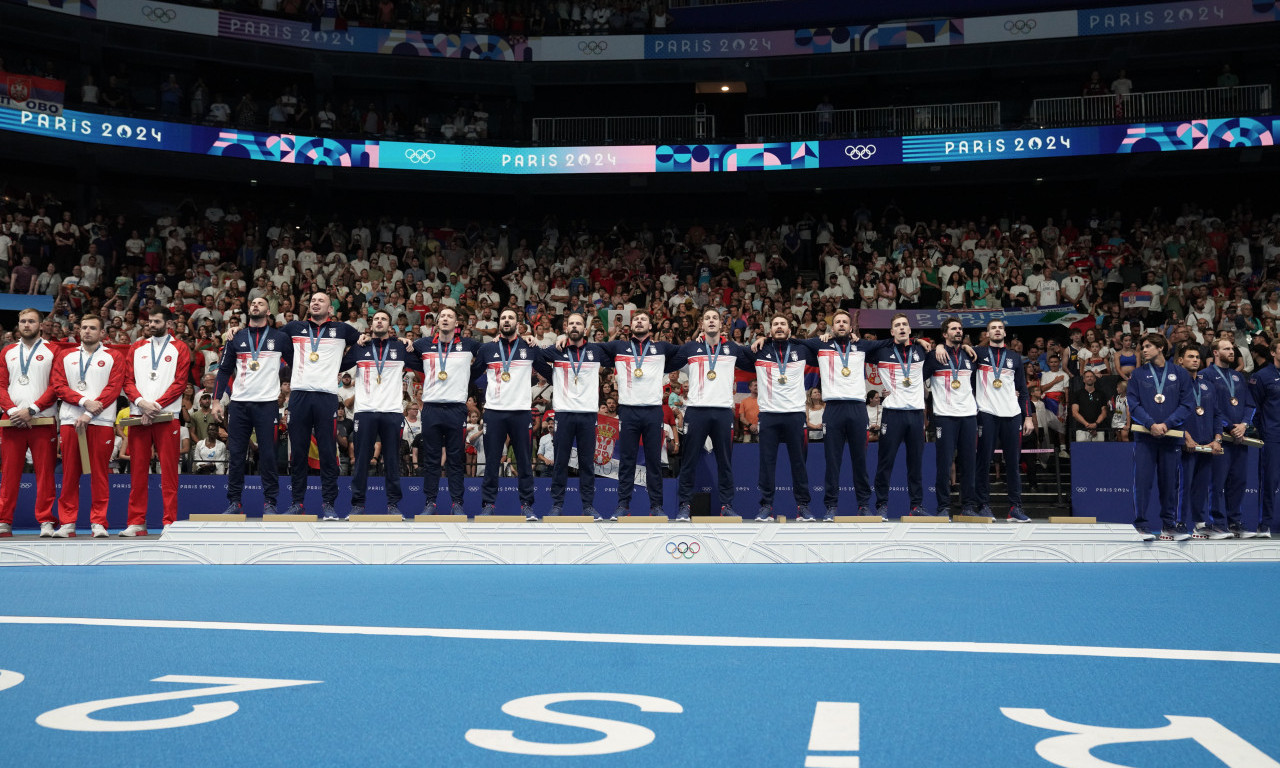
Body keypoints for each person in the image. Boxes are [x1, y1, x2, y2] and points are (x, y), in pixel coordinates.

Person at [795, 309, 896, 520]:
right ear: (832, 328)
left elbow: (889, 342)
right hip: (832, 410)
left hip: (858, 410)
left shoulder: (862, 345)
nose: (841, 324)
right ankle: (831, 506)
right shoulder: (821, 344)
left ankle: (863, 505)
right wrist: (818, 336)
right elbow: (796, 342)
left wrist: (928, 343)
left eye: (845, 322)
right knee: (832, 462)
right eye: (838, 322)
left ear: (851, 328)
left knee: (860, 461)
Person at [282, 291, 361, 519]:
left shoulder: (342, 329)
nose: (316, 303)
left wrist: (341, 363)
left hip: (326, 396)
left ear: (330, 309)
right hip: (299, 396)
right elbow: (275, 341)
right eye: (313, 300)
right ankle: (297, 502)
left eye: (321, 301)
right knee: (298, 453)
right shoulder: (294, 327)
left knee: (328, 452)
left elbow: (364, 343)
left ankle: (328, 503)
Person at [213, 296, 293, 516]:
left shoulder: (280, 338)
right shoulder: (236, 336)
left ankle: (270, 503)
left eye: (260, 304)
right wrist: (216, 400)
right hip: (239, 404)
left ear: (269, 311)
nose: (255, 306)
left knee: (268, 455)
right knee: (236, 454)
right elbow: (224, 370)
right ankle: (235, 502)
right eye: (252, 304)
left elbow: (298, 365)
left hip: (267, 405)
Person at [670, 308, 752, 520]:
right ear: (702, 324)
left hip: (724, 411)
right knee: (688, 461)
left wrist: (761, 341)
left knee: (725, 462)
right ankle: (684, 506)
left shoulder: (733, 348)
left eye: (715, 318)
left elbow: (754, 361)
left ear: (721, 324)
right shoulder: (690, 347)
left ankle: (727, 505)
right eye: (707, 318)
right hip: (696, 411)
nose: (711, 321)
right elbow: (668, 361)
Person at [51, 315, 125, 538]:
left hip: (101, 422)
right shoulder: (66, 356)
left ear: (103, 333)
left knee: (100, 474)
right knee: (69, 473)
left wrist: (90, 413)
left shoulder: (114, 356)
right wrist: (84, 403)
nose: (87, 331)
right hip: (70, 421)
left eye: (93, 328)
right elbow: (58, 385)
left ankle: (98, 522)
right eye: (84, 328)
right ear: (78, 331)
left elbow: (113, 389)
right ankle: (67, 523)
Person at [344, 310, 422, 518]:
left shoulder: (399, 347)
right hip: (365, 411)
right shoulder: (361, 347)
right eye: (376, 319)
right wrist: (353, 340)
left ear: (391, 325)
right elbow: (340, 365)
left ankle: (393, 504)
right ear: (371, 324)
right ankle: (358, 504)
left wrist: (410, 342)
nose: (379, 321)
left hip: (392, 412)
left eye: (384, 319)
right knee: (361, 459)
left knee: (392, 459)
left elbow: (424, 362)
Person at [602, 309, 679, 517]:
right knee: (627, 461)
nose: (639, 322)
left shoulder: (662, 348)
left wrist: (699, 338)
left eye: (643, 319)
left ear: (650, 326)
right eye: (636, 319)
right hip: (628, 411)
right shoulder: (619, 347)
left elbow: (686, 352)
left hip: (653, 412)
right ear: (630, 326)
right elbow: (592, 347)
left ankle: (656, 506)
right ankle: (623, 505)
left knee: (654, 461)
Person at [121, 307, 191, 535]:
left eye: (157, 321)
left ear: (168, 323)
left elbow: (180, 383)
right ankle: (136, 522)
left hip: (167, 415)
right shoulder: (136, 347)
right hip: (137, 416)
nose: (151, 325)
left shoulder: (180, 348)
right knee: (138, 471)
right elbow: (127, 380)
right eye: (150, 321)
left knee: (169, 472)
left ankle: (169, 522)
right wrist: (142, 403)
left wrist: (157, 405)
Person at [476, 308, 550, 519]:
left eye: (510, 318)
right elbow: (471, 375)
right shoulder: (487, 349)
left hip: (521, 413)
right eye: (503, 318)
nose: (506, 321)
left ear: (518, 324)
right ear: (499, 323)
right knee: (491, 461)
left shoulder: (529, 347)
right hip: (494, 413)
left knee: (524, 461)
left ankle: (526, 504)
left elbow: (548, 372)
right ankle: (488, 504)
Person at [743, 314, 817, 521]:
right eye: (775, 324)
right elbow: (735, 351)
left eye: (783, 324)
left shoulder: (801, 349)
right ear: (770, 330)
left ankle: (803, 507)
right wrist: (761, 340)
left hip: (795, 416)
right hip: (768, 416)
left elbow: (821, 344)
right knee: (766, 464)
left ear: (790, 330)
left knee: (799, 464)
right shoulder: (759, 350)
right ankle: (766, 506)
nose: (779, 327)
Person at [540, 312, 614, 519]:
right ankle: (557, 505)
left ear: (585, 329)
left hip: (588, 415)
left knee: (586, 463)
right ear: (565, 328)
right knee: (560, 462)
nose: (574, 326)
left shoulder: (596, 350)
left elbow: (618, 353)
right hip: (563, 414)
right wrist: (552, 375)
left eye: (578, 323)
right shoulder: (557, 350)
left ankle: (588, 506)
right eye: (571, 323)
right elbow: (534, 355)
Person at [411, 306, 480, 515]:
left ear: (457, 323)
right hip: (431, 407)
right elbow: (405, 350)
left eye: (450, 316)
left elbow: (489, 353)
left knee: (455, 458)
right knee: (431, 458)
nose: (446, 319)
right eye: (443, 316)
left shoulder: (468, 344)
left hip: (456, 409)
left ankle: (457, 503)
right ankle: (430, 503)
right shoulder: (422, 344)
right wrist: (405, 341)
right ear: (437, 322)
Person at [1128, 332, 1195, 541]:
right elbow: (1134, 404)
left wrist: (1166, 424)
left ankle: (1169, 525)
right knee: (1142, 483)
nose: (1144, 350)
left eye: (1147, 346)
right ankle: (1141, 525)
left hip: (1171, 437)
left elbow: (1187, 404)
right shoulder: (1138, 374)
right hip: (1145, 438)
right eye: (1143, 347)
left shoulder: (1180, 374)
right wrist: (1151, 424)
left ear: (1160, 348)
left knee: (1170, 484)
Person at [0, 308, 59, 537]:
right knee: (9, 473)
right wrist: (14, 410)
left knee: (45, 474)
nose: (26, 325)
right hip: (11, 421)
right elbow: (1, 385)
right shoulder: (7, 351)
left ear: (41, 325)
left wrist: (32, 409)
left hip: (42, 420)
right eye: (23, 321)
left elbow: (56, 386)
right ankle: (4, 520)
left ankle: (45, 520)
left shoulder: (53, 350)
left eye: (31, 321)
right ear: (18, 324)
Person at [869, 314, 932, 516]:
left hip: (915, 415)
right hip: (892, 414)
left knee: (915, 464)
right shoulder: (881, 351)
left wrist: (932, 344)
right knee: (885, 462)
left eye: (905, 325)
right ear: (891, 331)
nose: (902, 328)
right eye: (897, 325)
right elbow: (861, 346)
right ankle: (881, 505)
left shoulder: (922, 350)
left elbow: (943, 351)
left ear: (911, 330)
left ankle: (916, 506)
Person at [973, 318, 1034, 522]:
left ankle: (1015, 508)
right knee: (983, 461)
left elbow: (1024, 391)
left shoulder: (1015, 357)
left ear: (1005, 333)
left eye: (1000, 328)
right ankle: (982, 505)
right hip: (987, 412)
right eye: (993, 328)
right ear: (987, 334)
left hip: (1012, 414)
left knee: (1013, 463)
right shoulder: (978, 354)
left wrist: (1028, 418)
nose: (997, 330)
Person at [924, 317, 979, 517]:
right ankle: (943, 507)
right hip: (944, 416)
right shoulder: (933, 357)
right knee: (944, 464)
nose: (958, 331)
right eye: (953, 329)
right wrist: (937, 346)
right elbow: (916, 379)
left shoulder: (970, 355)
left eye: (960, 328)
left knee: (968, 464)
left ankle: (968, 506)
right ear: (945, 334)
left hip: (968, 416)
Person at [1176, 344, 1231, 539]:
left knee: (1202, 486)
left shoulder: (1207, 385)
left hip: (1207, 446)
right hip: (1185, 446)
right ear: (1180, 360)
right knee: (1184, 485)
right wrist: (1185, 436)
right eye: (1190, 356)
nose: (1195, 360)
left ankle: (1200, 524)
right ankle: (1179, 524)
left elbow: (1217, 414)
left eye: (1198, 357)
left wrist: (1217, 439)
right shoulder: (1174, 385)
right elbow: (1172, 414)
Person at [1206, 338, 1255, 537]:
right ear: (1215, 353)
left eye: (1232, 348)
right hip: (1220, 438)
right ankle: (1216, 523)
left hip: (1240, 438)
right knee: (1217, 482)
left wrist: (1243, 425)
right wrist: (1228, 426)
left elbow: (1250, 405)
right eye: (1226, 349)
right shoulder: (1205, 376)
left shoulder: (1238, 377)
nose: (1231, 351)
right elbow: (1208, 407)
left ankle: (1235, 523)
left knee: (1238, 482)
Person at [1249, 338, 1280, 539]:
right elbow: (1255, 409)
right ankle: (1265, 524)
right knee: (1270, 481)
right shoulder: (1262, 377)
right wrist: (1264, 431)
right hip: (1273, 436)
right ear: (1273, 352)